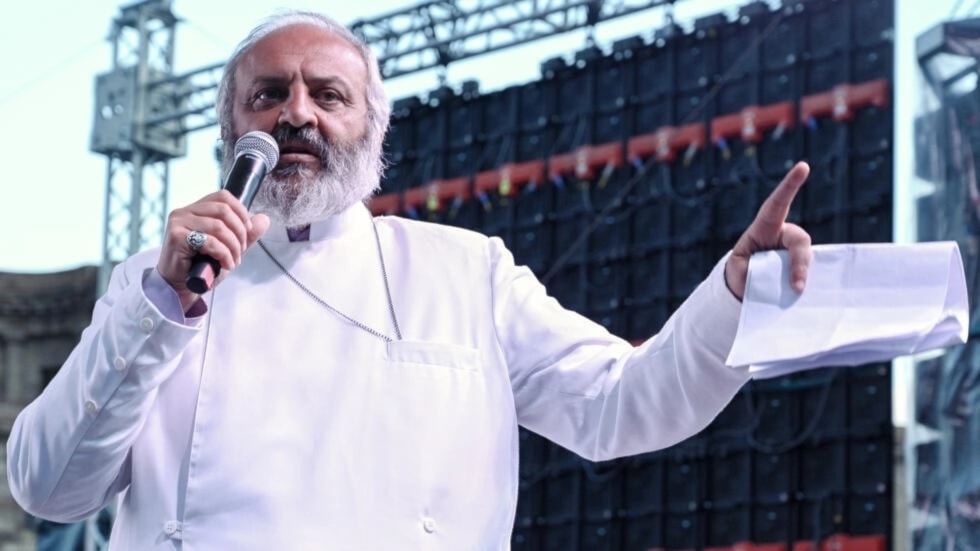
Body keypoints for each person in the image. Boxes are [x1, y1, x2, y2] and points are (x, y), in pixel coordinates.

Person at [6, 10, 812, 550]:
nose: (298, 114)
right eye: (268, 95)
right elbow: (48, 486)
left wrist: (734, 294)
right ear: (232, 131)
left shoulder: (465, 270)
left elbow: (624, 402)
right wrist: (159, 307)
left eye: (328, 95)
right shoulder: (154, 282)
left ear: (372, 130)